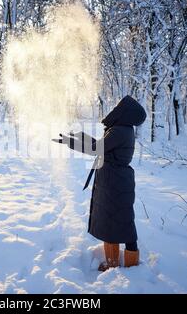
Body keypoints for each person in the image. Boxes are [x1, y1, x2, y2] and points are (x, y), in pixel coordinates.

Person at [53, 95, 146, 271]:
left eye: (119, 106)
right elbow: (102, 145)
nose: (115, 107)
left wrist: (70, 142)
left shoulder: (120, 130)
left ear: (125, 111)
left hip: (114, 180)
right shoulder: (123, 129)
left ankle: (114, 265)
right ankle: (129, 263)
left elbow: (97, 149)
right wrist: (81, 136)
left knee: (113, 220)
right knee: (121, 220)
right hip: (117, 179)